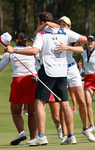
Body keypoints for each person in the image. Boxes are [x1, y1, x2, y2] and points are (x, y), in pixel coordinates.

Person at [5, 11, 87, 146]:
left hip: (47, 72)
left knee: (39, 103)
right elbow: (83, 39)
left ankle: (41, 136)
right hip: (62, 71)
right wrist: (67, 46)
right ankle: (71, 136)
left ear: (41, 23)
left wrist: (14, 50)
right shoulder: (64, 32)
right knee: (66, 104)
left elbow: (34, 51)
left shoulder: (41, 34)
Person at [33, 15, 95, 144]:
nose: (61, 26)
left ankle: (85, 128)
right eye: (59, 24)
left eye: (64, 24)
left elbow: (80, 48)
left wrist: (67, 47)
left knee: (81, 101)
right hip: (57, 70)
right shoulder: (50, 35)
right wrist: (45, 25)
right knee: (62, 101)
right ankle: (66, 134)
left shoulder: (68, 35)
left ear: (69, 27)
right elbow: (36, 34)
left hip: (70, 69)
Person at [0, 30, 37, 145]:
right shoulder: (33, 51)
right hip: (33, 80)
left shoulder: (9, 54)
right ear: (26, 41)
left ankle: (21, 132)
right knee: (32, 112)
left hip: (18, 81)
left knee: (16, 111)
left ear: (15, 41)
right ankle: (32, 139)